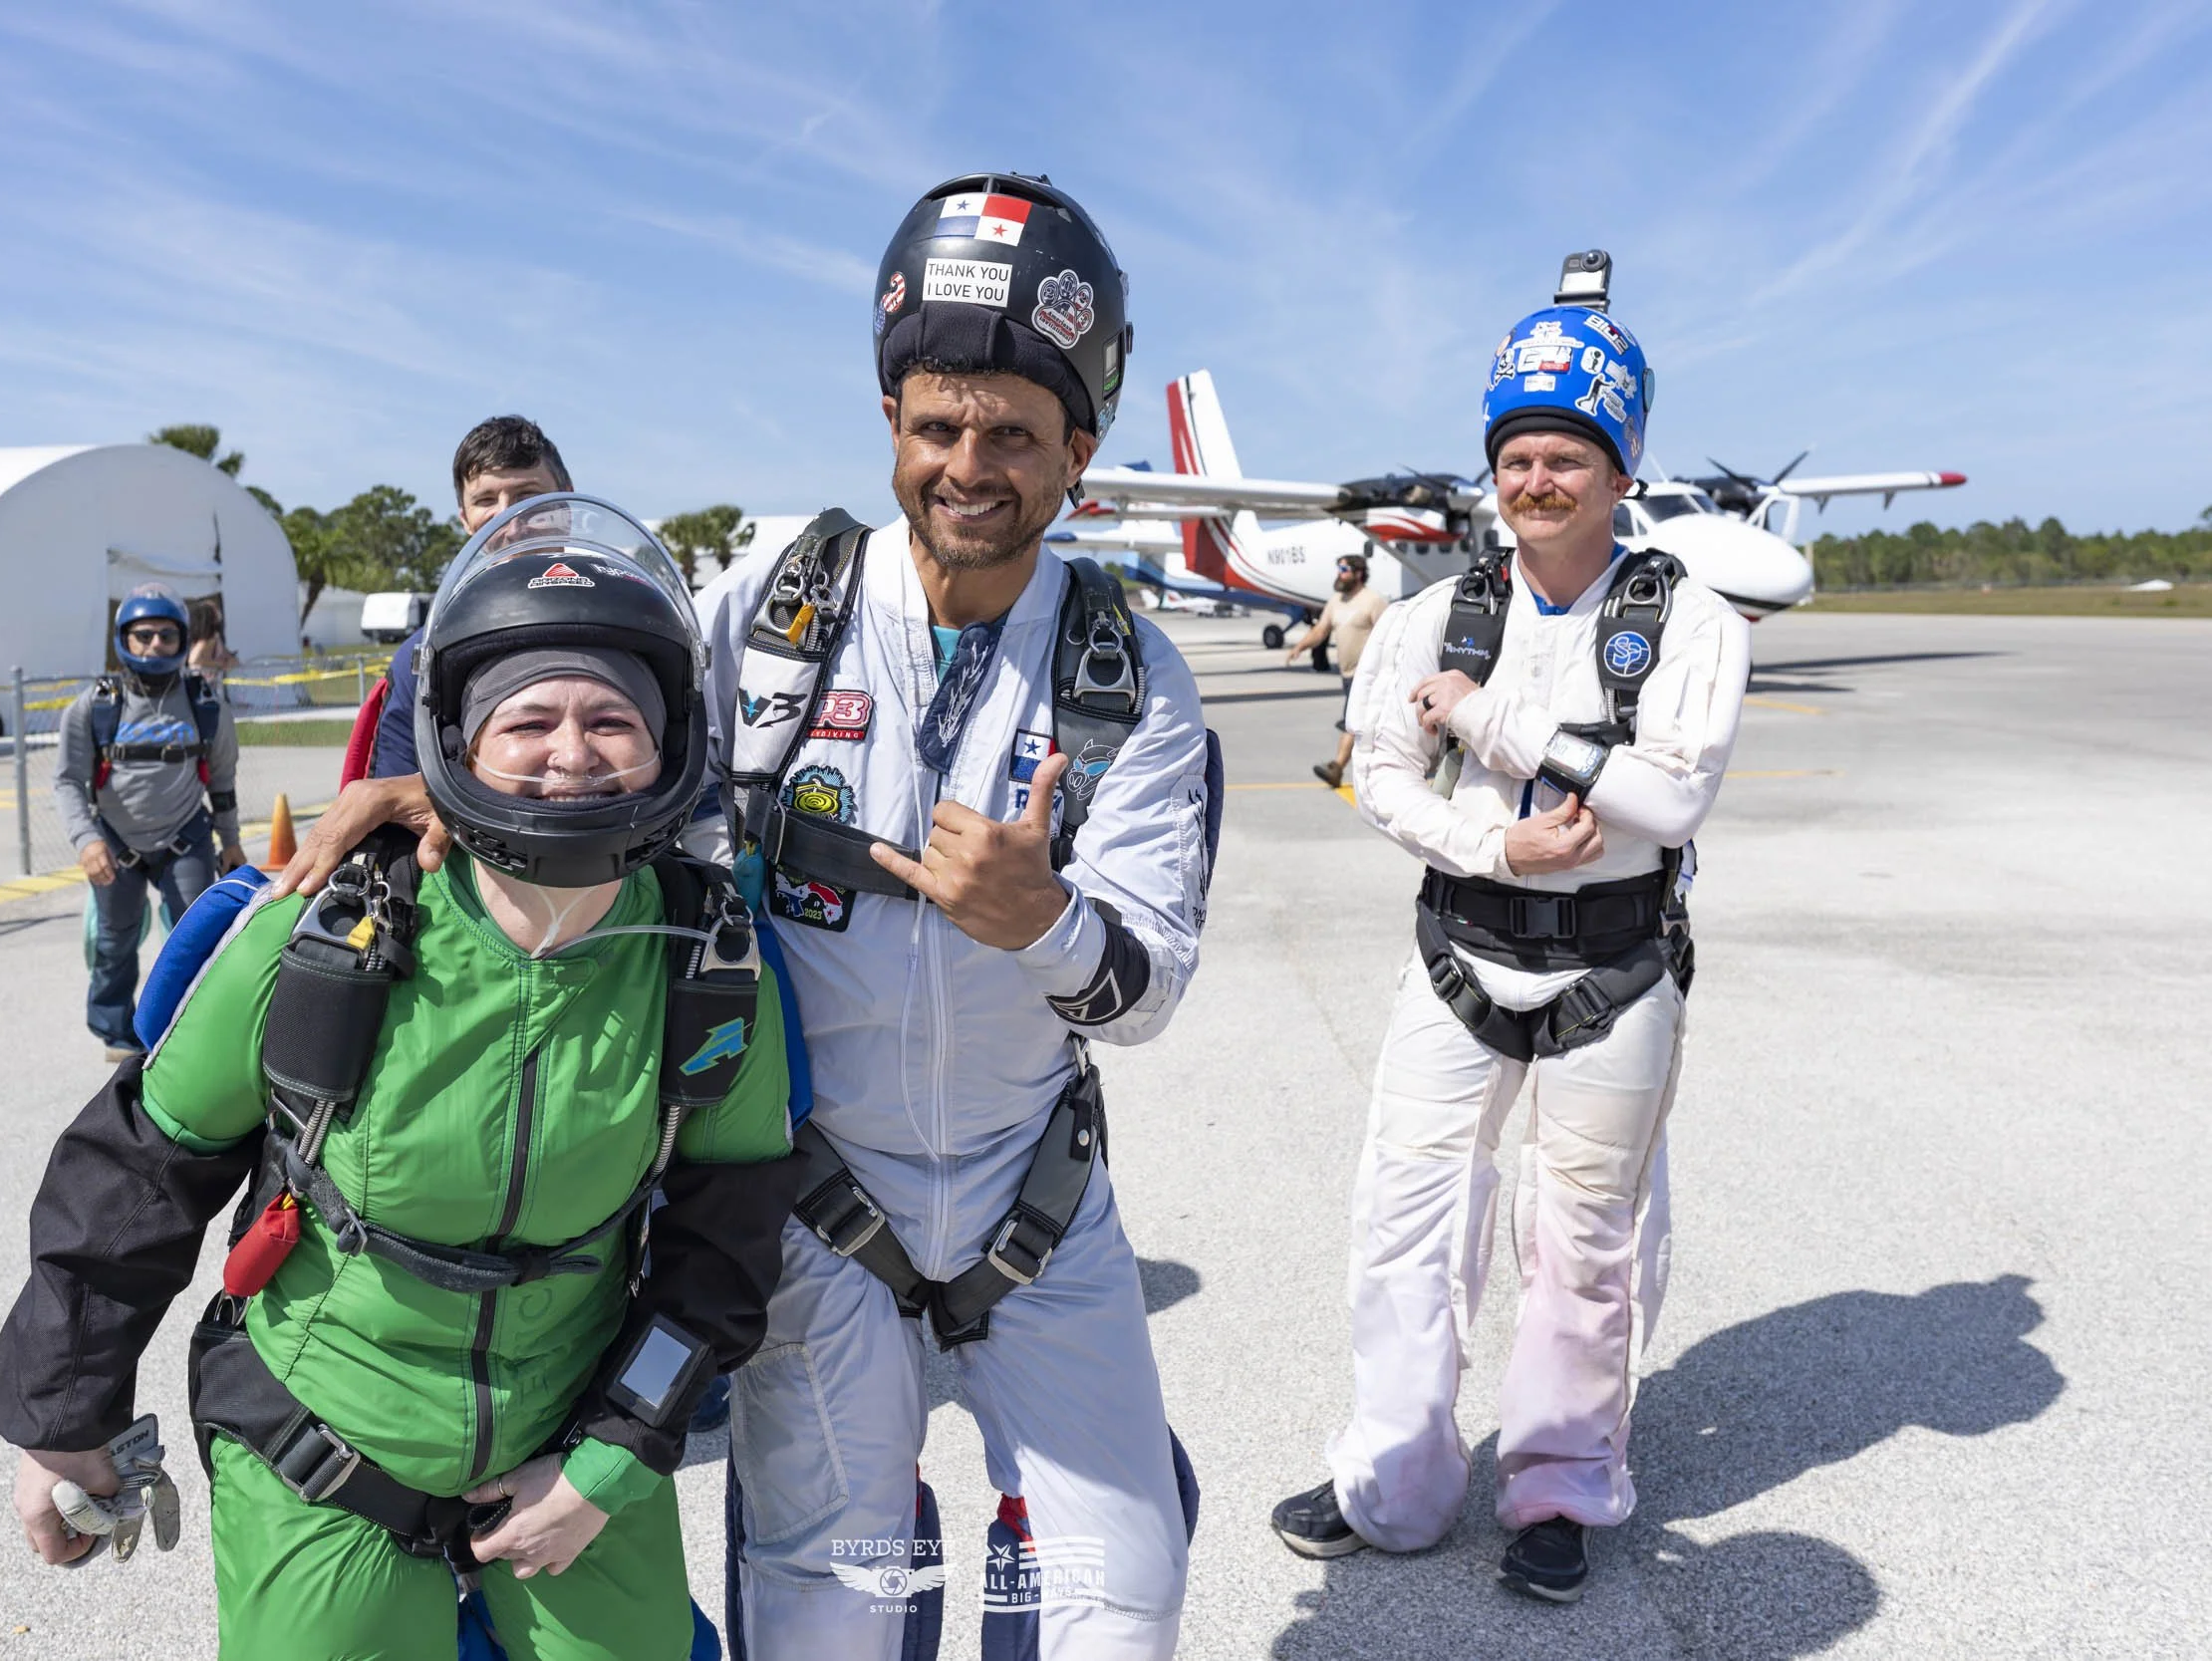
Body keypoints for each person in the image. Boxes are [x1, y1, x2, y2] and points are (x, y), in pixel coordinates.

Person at [278, 171, 1215, 1659]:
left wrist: (1040, 919)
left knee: (1127, 1598)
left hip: (1036, 1196)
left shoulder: (1130, 673)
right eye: (937, 426)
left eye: (1013, 435)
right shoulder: (776, 602)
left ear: (1080, 453)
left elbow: (1148, 987)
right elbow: (605, 744)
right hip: (813, 1204)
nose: (968, 465)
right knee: (825, 1610)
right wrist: (444, 794)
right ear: (893, 423)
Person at [0, 496, 801, 1659]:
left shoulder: (708, 965)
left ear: (670, 739)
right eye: (527, 719)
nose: (571, 752)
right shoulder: (328, 940)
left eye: (611, 716)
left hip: (570, 1443)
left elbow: (727, 1246)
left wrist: (608, 1460)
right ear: (458, 745)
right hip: (323, 1445)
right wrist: (62, 1417)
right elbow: (140, 1167)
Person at [1269, 270, 1750, 1603]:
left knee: (1585, 1232)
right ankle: (1395, 1476)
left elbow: (1668, 797)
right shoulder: (1432, 615)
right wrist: (1497, 841)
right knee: (1405, 1214)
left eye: (1568, 456)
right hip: (1460, 947)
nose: (1538, 479)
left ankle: (1560, 1482)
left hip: (1618, 962)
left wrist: (1496, 723)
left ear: (1619, 468)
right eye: (1518, 456)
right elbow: (1379, 772)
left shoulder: (1688, 620)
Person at [54, 587, 247, 1060]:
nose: (155, 646)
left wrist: (232, 842)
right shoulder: (93, 707)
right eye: (143, 636)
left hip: (186, 838)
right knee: (115, 939)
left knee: (197, 936)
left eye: (166, 635)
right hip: (116, 844)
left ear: (182, 639)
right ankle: (115, 1031)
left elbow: (221, 782)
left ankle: (186, 1024)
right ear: (124, 640)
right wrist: (86, 841)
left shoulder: (206, 705)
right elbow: (67, 782)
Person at [366, 415, 576, 779]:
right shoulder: (429, 652)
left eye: (528, 497)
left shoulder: (633, 621)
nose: (510, 521)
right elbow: (393, 787)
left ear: (567, 504)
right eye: (486, 500)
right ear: (465, 519)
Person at [1284, 552, 1389, 786]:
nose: (1339, 575)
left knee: (1353, 721)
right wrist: (1300, 646)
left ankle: (1338, 767)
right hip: (1347, 675)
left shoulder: (1373, 601)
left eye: (1344, 570)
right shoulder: (1336, 602)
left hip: (1369, 675)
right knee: (1362, 723)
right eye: (1339, 569)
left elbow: (1391, 634)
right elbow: (1321, 630)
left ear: (1358, 573)